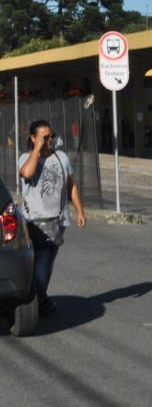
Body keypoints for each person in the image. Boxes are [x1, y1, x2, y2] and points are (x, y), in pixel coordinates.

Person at [18, 119, 87, 317]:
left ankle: (39, 297)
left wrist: (79, 211)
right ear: (33, 138)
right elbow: (27, 173)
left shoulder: (61, 158)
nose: (49, 140)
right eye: (44, 137)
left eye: (51, 136)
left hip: (59, 220)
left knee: (48, 261)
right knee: (41, 260)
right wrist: (37, 150)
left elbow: (71, 185)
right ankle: (38, 300)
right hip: (36, 222)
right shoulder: (25, 158)